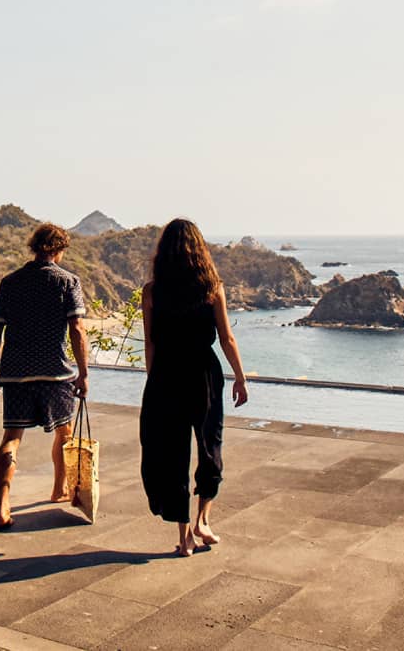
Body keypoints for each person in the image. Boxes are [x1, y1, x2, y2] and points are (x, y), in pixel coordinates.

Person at [139, 218, 249, 557]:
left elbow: (150, 343)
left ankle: (184, 535)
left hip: (166, 375)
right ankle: (203, 519)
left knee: (171, 453)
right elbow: (227, 338)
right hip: (203, 372)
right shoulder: (211, 286)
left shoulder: (152, 291)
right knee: (209, 445)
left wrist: (152, 380)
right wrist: (241, 378)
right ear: (199, 249)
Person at [0, 223, 89, 531]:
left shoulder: (10, 282)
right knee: (64, 432)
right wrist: (83, 373)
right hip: (55, 371)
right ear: (59, 250)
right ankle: (59, 489)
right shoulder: (68, 282)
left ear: (34, 247)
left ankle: (3, 506)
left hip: (17, 371)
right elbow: (77, 329)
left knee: (11, 438)